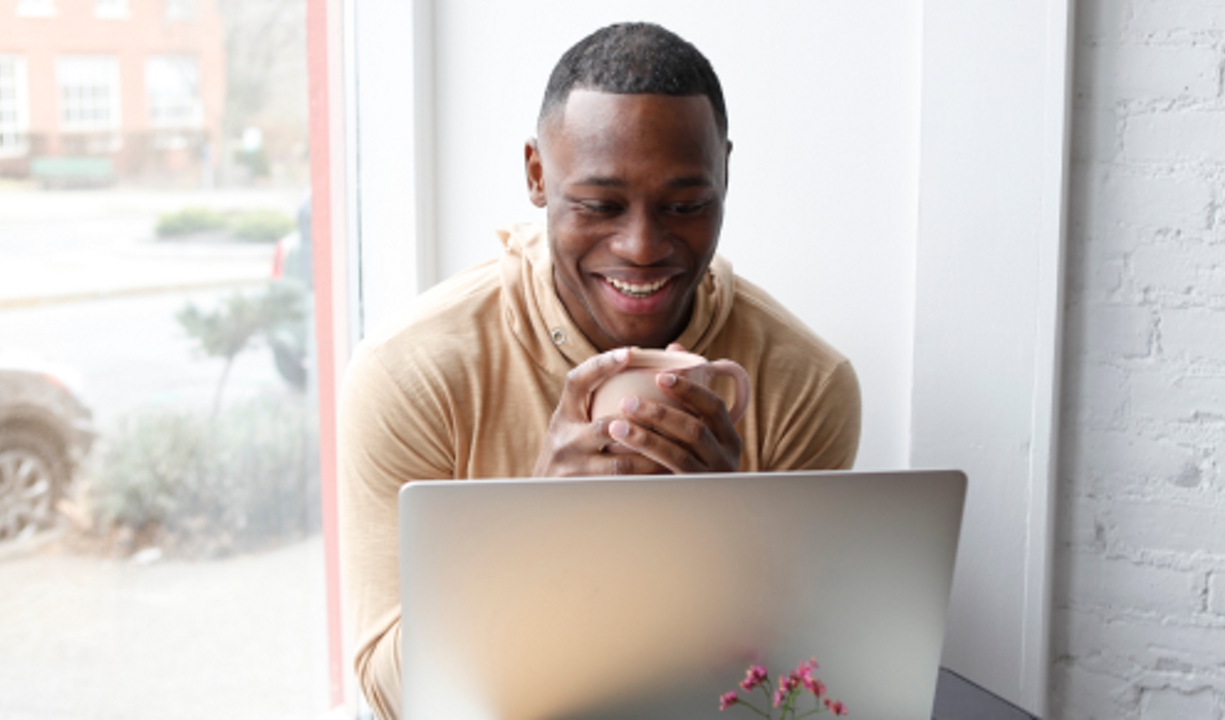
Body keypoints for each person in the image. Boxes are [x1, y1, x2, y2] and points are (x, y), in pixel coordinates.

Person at [337, 22, 862, 719]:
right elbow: (395, 692)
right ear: (535, 174)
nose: (642, 247)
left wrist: (732, 526)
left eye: (685, 205)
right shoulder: (412, 374)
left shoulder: (803, 385)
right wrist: (538, 529)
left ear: (725, 176)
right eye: (598, 205)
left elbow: (801, 685)